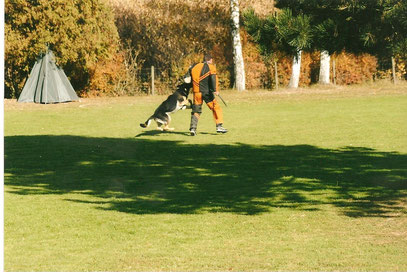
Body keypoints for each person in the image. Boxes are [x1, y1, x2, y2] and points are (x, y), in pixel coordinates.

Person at [187, 53, 228, 136]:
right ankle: (219, 126)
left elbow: (187, 79)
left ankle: (193, 129)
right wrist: (215, 90)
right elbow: (213, 79)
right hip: (206, 92)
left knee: (196, 110)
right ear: (210, 60)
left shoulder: (194, 67)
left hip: (196, 92)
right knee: (215, 107)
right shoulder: (211, 67)